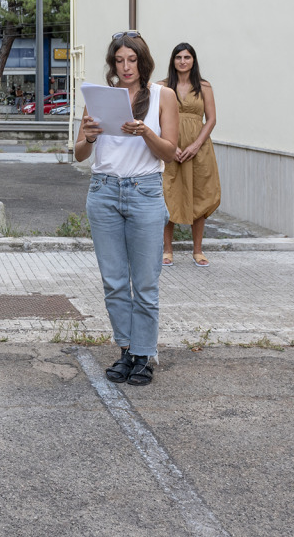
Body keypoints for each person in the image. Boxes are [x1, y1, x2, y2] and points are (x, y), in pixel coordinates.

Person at [75, 32, 179, 386]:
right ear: (112, 63)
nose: (125, 67)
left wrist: (144, 133)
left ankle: (144, 354)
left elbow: (169, 152)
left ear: (143, 61)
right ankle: (127, 350)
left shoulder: (164, 96)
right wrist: (88, 136)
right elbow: (78, 153)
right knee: (115, 282)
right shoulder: (100, 97)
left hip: (145, 193)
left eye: (131, 60)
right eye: (119, 61)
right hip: (103, 192)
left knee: (146, 283)